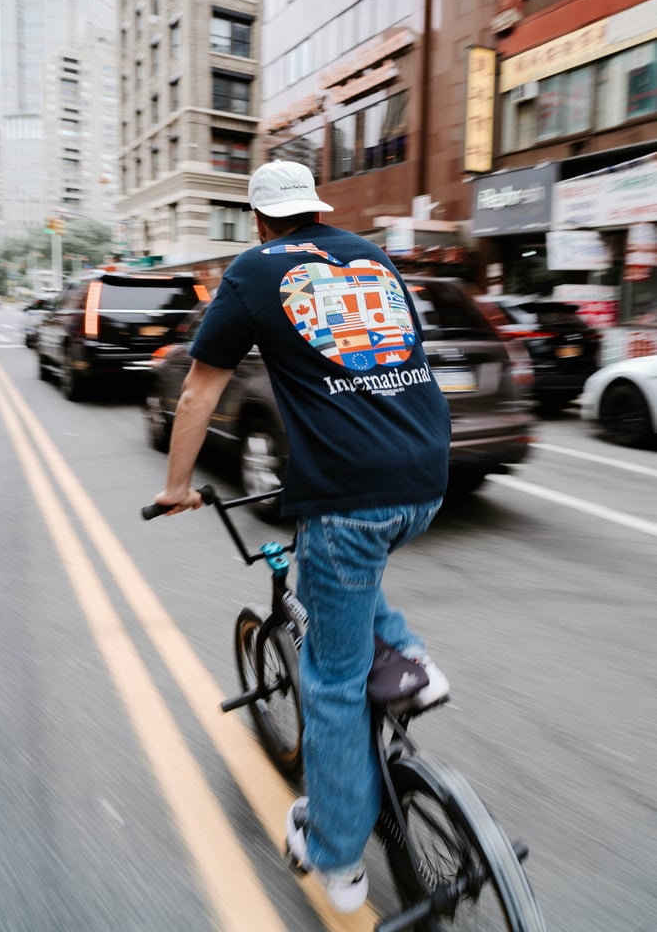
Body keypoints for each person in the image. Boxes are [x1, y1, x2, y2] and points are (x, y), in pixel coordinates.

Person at [153, 160, 451, 913]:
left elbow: (198, 388)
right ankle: (413, 659)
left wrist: (177, 486)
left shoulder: (255, 271)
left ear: (259, 219)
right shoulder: (372, 255)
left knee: (333, 682)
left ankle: (336, 859)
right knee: (339, 571)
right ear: (316, 209)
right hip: (426, 477)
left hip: (350, 496)